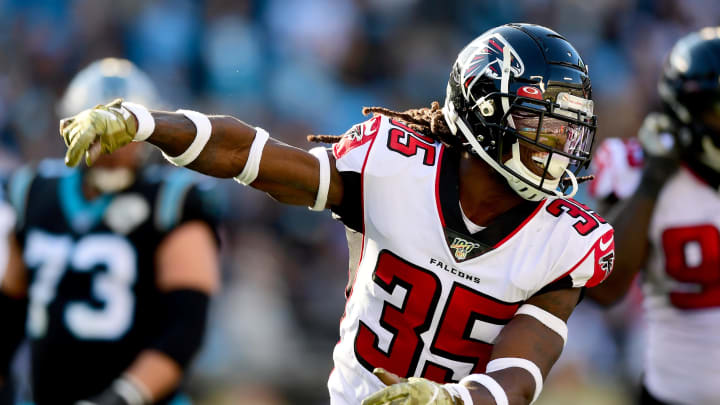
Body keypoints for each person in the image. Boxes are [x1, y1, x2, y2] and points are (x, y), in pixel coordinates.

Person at [59, 24, 613, 405]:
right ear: (487, 111)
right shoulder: (395, 168)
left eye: (572, 127)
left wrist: (449, 399)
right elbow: (253, 157)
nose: (563, 143)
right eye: (545, 122)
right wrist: (147, 124)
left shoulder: (566, 241)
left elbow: (518, 377)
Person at [0, 58, 222, 405]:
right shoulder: (32, 191)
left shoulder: (171, 201)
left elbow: (185, 328)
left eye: (121, 133)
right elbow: (8, 311)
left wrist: (121, 398)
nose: (109, 147)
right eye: (97, 130)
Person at [585, 27, 720, 405]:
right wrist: (651, 183)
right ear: (687, 109)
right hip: (671, 393)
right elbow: (604, 289)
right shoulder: (635, 168)